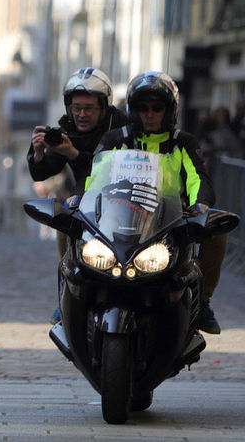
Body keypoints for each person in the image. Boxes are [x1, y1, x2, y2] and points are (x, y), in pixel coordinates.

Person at [93, 71, 224, 334]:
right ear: (133, 110)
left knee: (217, 232)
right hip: (119, 220)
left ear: (170, 110)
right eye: (143, 108)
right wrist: (81, 198)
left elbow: (199, 178)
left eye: (157, 108)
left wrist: (201, 203)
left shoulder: (183, 143)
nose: (149, 114)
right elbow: (94, 177)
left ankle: (204, 301)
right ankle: (72, 299)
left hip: (170, 222)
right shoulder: (115, 139)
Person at [27, 67, 128, 322]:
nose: (81, 114)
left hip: (125, 198)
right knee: (64, 219)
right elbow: (44, 171)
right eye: (76, 107)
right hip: (85, 198)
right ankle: (66, 292)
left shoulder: (123, 127)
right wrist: (39, 153)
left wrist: (74, 154)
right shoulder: (66, 128)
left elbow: (107, 170)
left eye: (89, 108)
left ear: (104, 107)